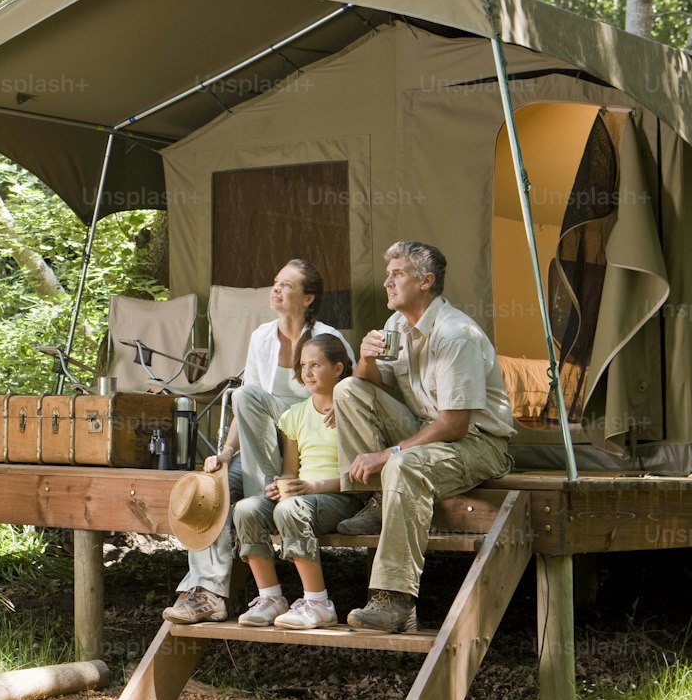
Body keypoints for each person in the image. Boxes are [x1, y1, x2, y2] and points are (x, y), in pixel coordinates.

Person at [333, 241, 515, 635]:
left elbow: (454, 425)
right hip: (424, 427)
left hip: (477, 443)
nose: (387, 282)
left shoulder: (455, 334)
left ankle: (394, 600)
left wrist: (387, 454)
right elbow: (375, 385)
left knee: (404, 463)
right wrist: (364, 360)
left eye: (397, 274)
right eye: (389, 274)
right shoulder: (396, 326)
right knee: (347, 388)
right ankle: (376, 497)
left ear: (426, 281)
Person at [163, 259, 353, 624]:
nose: (276, 290)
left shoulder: (329, 339)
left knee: (246, 398)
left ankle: (259, 500)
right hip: (260, 451)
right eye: (275, 282)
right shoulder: (261, 337)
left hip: (308, 449)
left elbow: (355, 389)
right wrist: (226, 451)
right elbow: (246, 407)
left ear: (309, 298)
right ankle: (208, 592)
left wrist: (339, 407)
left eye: (287, 286)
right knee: (211, 489)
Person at [232, 335, 359, 629]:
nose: (307, 372)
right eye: (303, 366)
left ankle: (318, 602)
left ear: (338, 368)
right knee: (246, 509)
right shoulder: (294, 415)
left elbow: (359, 475)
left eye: (316, 365)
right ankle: (271, 597)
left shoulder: (353, 411)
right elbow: (291, 470)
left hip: (340, 497)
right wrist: (282, 485)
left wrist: (313, 487)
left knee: (288, 510)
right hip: (305, 496)